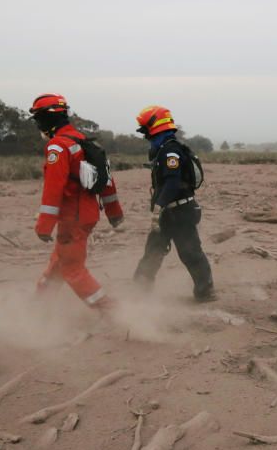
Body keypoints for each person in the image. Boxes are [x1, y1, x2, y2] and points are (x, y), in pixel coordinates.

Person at [29, 93, 124, 309]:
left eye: (37, 119)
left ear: (45, 119)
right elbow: (108, 182)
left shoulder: (58, 147)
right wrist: (114, 213)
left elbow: (53, 190)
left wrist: (44, 225)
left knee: (72, 269)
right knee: (57, 265)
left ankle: (112, 311)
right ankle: (37, 309)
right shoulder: (85, 143)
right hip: (87, 214)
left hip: (73, 219)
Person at [132, 105, 214, 301]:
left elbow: (172, 182)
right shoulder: (163, 149)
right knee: (152, 252)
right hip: (168, 213)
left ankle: (205, 292)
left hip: (181, 212)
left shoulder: (171, 151)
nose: (145, 135)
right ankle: (139, 292)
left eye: (145, 130)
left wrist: (158, 206)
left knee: (190, 253)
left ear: (155, 126)